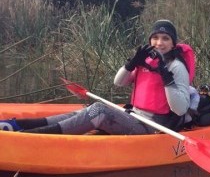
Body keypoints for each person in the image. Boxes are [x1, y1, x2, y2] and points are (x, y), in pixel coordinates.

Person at [0, 19, 195, 135]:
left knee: (99, 111)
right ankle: (17, 125)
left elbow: (179, 109)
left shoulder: (177, 67)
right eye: (155, 37)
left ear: (173, 43)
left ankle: (30, 136)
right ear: (150, 39)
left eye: (165, 38)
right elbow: (118, 83)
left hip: (154, 127)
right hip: (134, 115)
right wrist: (131, 64)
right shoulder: (147, 59)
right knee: (84, 111)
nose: (159, 42)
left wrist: (166, 77)